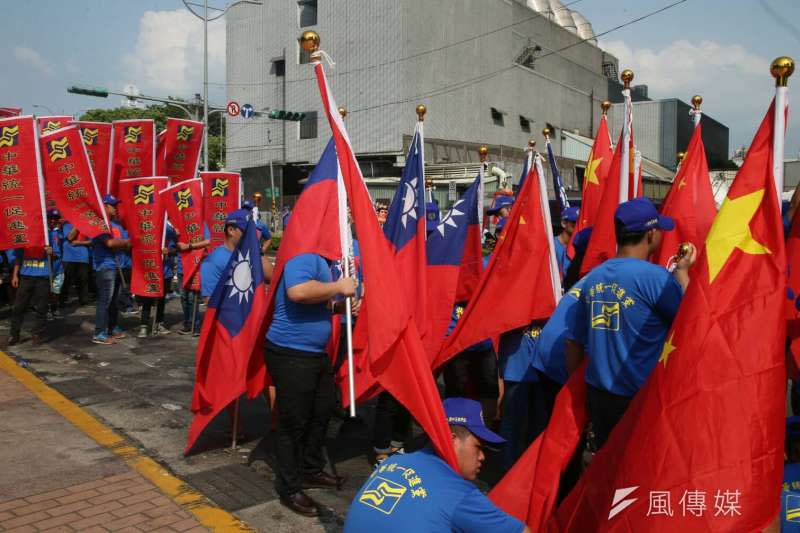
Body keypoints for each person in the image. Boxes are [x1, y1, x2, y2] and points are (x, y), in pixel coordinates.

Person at [565, 197, 696, 449]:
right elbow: (691, 322)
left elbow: (573, 343)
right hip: (639, 399)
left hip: (599, 395)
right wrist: (682, 273)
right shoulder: (656, 279)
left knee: (607, 468)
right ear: (650, 234)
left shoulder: (593, 278)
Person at [265, 249, 358, 517]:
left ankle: (310, 469)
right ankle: (289, 487)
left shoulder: (324, 261)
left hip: (314, 354)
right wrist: (339, 286)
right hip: (291, 353)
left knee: (322, 412)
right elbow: (298, 292)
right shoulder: (304, 254)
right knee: (293, 422)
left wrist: (341, 306)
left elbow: (320, 303)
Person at [344, 398, 529, 533]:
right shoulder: (458, 494)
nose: (482, 457)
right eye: (478, 447)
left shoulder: (394, 462)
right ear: (452, 440)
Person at [1, 230, 60, 347]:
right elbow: (18, 257)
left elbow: (57, 255)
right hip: (26, 277)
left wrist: (51, 252)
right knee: (18, 307)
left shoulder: (51, 235)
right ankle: (14, 334)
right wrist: (15, 275)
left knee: (41, 308)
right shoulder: (24, 235)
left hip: (43, 278)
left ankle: (37, 333)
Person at [201, 209, 273, 301]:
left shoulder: (252, 254)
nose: (251, 235)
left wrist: (257, 252)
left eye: (252, 231)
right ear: (231, 230)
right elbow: (210, 303)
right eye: (246, 230)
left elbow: (272, 279)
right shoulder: (213, 261)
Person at [91, 194, 131, 345]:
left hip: (118, 266)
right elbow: (109, 243)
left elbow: (125, 244)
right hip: (105, 267)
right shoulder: (99, 224)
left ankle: (112, 327)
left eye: (116, 205)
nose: (115, 208)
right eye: (112, 205)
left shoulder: (118, 225)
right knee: (105, 300)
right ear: (104, 206)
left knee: (114, 300)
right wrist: (125, 242)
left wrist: (124, 242)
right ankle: (99, 332)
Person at [61, 221, 92, 307]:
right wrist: (78, 224)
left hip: (83, 257)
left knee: (83, 280)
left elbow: (92, 241)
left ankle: (84, 301)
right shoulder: (67, 225)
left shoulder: (87, 226)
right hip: (68, 257)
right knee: (66, 280)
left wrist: (79, 243)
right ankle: (62, 300)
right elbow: (70, 237)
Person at [554, 206, 578, 279]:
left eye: (579, 222)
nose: (578, 225)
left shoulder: (580, 246)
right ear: (564, 223)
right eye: (574, 222)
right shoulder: (551, 245)